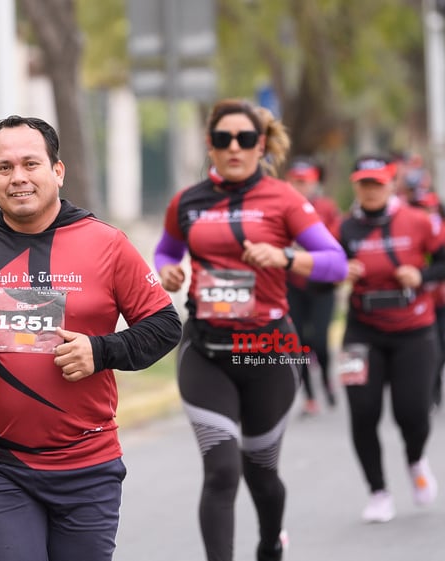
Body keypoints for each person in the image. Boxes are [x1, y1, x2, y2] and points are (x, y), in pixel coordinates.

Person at [0, 115, 181, 561]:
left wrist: (100, 350)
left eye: (30, 164)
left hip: (88, 464)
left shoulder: (106, 243)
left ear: (57, 171)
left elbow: (165, 326)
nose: (18, 177)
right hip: (0, 464)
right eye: (5, 167)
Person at [153, 99, 347, 561]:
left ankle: (269, 543)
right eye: (223, 139)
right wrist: (168, 271)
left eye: (244, 139)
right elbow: (165, 251)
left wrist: (285, 257)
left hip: (267, 353)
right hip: (205, 349)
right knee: (221, 471)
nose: (234, 147)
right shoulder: (188, 201)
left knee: (260, 470)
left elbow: (335, 263)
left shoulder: (284, 200)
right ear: (210, 145)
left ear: (261, 146)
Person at [338, 155, 445, 524]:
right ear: (356, 185)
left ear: (392, 184)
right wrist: (339, 270)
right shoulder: (344, 228)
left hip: (414, 332)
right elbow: (319, 272)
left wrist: (422, 274)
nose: (371, 190)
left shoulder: (419, 221)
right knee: (362, 412)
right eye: (364, 183)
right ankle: (378, 492)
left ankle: (416, 459)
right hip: (359, 332)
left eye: (378, 183)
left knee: (413, 413)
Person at [284, 156, 342, 415]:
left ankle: (328, 381)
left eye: (305, 182)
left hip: (321, 286)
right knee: (299, 342)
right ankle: (309, 396)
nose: (301, 186)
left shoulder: (326, 208)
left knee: (319, 339)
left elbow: (334, 242)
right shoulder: (280, 207)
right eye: (296, 181)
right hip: (291, 286)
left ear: (315, 182)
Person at [409, 188, 445, 408]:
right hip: (417, 299)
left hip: (443, 298)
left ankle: (437, 384)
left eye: (428, 207)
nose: (424, 212)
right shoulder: (405, 231)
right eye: (419, 207)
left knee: (439, 340)